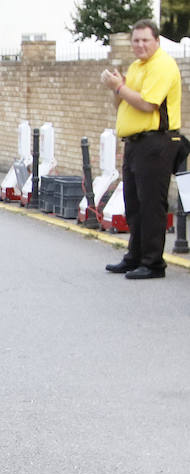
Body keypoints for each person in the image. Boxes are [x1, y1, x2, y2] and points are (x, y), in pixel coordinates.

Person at [102, 19, 183, 280]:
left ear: (157, 41)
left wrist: (120, 87)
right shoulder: (137, 67)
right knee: (134, 203)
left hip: (156, 142)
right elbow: (123, 105)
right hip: (136, 143)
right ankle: (135, 256)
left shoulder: (162, 65)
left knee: (151, 204)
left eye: (145, 40)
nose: (140, 45)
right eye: (136, 40)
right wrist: (118, 88)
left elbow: (148, 105)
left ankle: (153, 263)